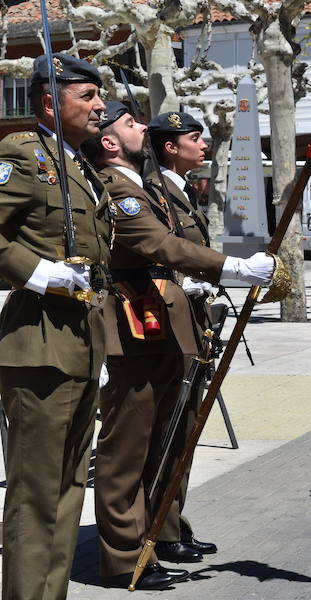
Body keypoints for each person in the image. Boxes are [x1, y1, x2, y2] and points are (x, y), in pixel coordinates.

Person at [84, 106, 276, 589]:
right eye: (130, 125)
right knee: (127, 450)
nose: (142, 128)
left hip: (159, 326)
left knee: (160, 443)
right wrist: (235, 268)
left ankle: (153, 536)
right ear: (109, 143)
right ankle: (125, 558)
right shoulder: (117, 187)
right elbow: (160, 246)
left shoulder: (139, 186)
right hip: (133, 330)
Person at [0, 53, 112, 600]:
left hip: (82, 346)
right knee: (36, 493)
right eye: (88, 96)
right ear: (51, 101)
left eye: (100, 96)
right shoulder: (21, 155)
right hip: (38, 346)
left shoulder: (82, 168)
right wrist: (39, 273)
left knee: (69, 489)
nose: (100, 106)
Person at [146, 111, 222, 561]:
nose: (203, 145)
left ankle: (176, 521)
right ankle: (164, 529)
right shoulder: (156, 193)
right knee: (172, 431)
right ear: (171, 147)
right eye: (195, 138)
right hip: (170, 322)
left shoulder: (183, 190)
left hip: (194, 321)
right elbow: (157, 252)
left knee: (186, 431)